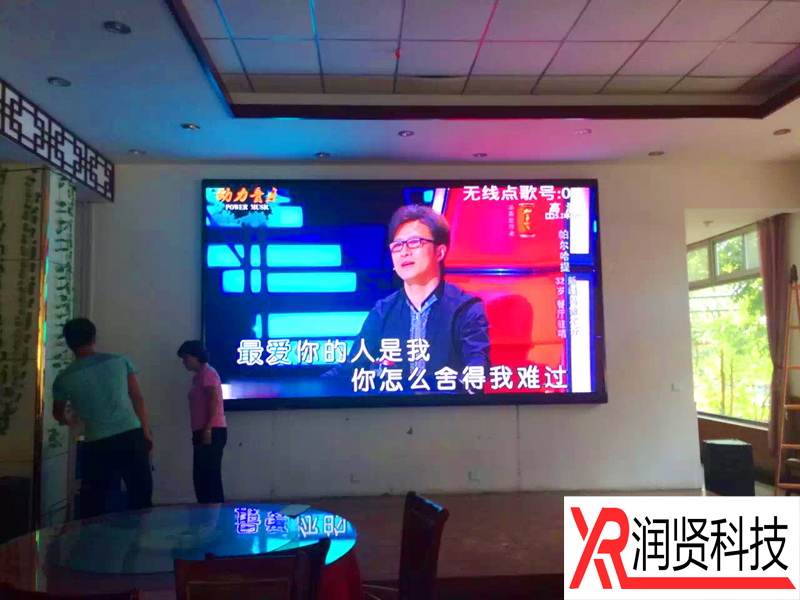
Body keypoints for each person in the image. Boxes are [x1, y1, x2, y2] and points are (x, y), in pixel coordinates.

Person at [329, 204, 490, 392]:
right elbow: (348, 370)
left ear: (439, 252)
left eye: (415, 242)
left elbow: (477, 372)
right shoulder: (383, 311)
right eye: (397, 245)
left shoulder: (466, 309)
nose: (404, 252)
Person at [52, 318, 153, 518]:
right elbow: (137, 398)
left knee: (94, 505)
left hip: (96, 442)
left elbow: (58, 413)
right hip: (131, 435)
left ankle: (94, 538)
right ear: (94, 337)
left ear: (69, 343)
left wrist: (70, 421)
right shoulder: (120, 362)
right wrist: (145, 431)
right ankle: (140, 535)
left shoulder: (64, 379)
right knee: (141, 498)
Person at [177, 340, 227, 503]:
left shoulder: (208, 373)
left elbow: (214, 401)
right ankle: (206, 513)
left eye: (186, 358)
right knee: (201, 476)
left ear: (196, 356)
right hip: (202, 430)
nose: (184, 362)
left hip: (211, 430)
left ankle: (214, 514)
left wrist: (208, 429)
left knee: (209, 476)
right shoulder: (198, 377)